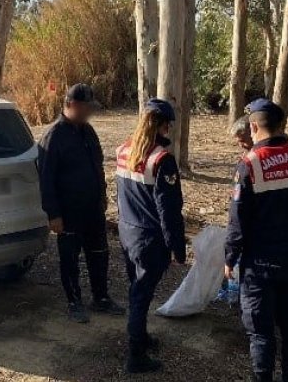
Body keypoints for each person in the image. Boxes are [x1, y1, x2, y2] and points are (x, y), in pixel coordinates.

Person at [224, 99, 288, 382]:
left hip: (261, 263)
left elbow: (238, 220)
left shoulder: (250, 164)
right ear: (281, 126)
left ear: (254, 126)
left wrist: (230, 257)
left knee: (261, 330)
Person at [38, 83, 125, 324]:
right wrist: (53, 214)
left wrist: (102, 196)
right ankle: (74, 302)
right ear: (72, 105)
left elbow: (97, 167)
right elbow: (45, 179)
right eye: (87, 108)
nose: (90, 113)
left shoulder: (88, 131)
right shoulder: (53, 136)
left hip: (93, 209)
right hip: (68, 212)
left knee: (99, 253)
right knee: (70, 258)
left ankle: (101, 297)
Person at [115, 99, 186, 373]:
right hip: (149, 239)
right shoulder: (161, 160)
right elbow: (169, 211)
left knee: (137, 289)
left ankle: (141, 337)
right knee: (140, 296)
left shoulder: (123, 150)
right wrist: (177, 248)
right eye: (169, 125)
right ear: (163, 125)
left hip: (127, 232)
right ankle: (136, 355)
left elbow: (121, 196)